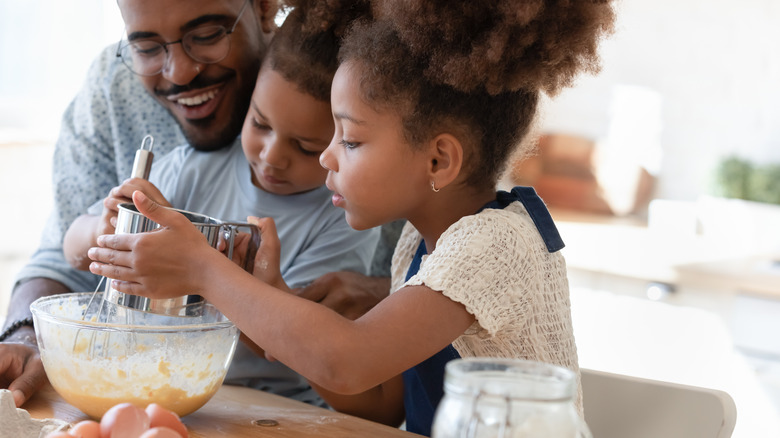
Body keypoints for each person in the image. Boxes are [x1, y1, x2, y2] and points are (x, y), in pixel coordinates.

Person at [87, 0, 616, 435]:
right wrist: (276, 298)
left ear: (439, 160)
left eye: (351, 138)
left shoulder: (496, 245)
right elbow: (381, 401)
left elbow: (349, 360)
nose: (326, 157)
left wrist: (204, 270)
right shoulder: (420, 243)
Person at [0, 0, 391, 409]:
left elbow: (301, 349)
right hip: (159, 388)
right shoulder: (191, 164)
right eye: (259, 124)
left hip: (275, 408)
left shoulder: (344, 215)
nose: (272, 157)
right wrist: (105, 229)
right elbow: (66, 251)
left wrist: (215, 276)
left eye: (206, 37)